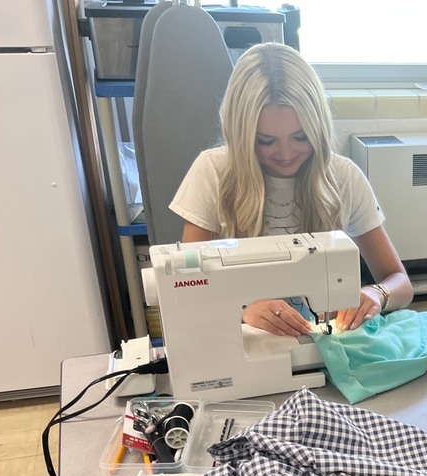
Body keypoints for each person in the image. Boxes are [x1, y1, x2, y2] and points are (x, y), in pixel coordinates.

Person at [170, 43, 413, 335]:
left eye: (300, 137)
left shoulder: (343, 177)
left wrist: (377, 293)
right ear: (241, 134)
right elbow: (188, 289)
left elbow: (400, 282)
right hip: (243, 342)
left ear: (317, 127)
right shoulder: (212, 174)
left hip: (322, 341)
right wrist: (242, 310)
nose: (286, 154)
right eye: (266, 141)